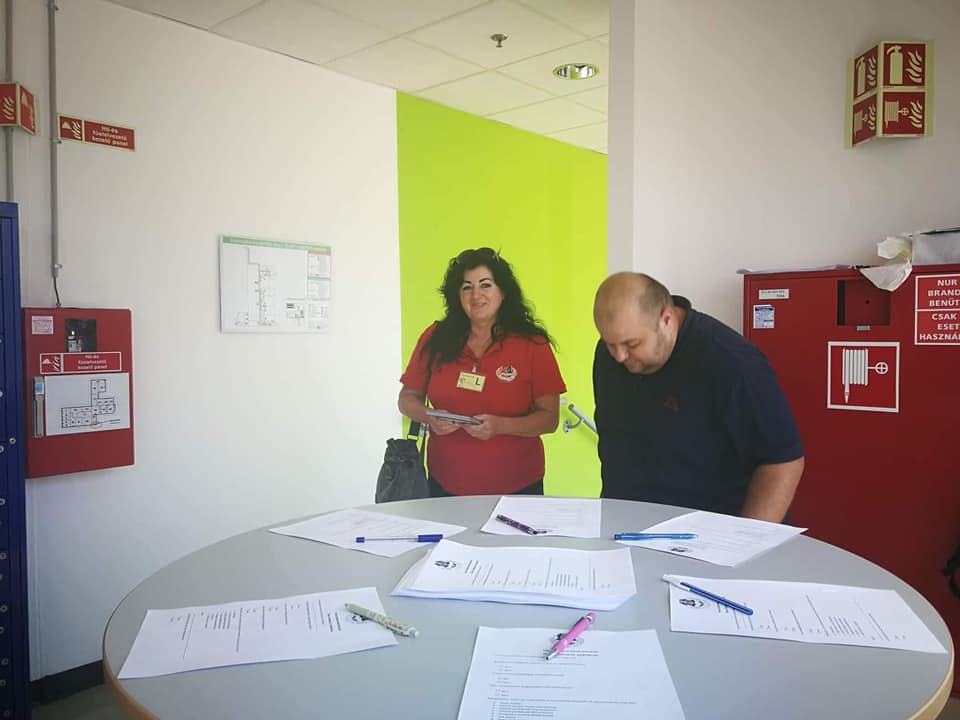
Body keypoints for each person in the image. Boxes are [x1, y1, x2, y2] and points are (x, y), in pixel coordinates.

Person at [592, 272, 804, 522]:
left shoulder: (731, 362)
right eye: (610, 343)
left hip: (712, 529)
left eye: (632, 344)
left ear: (666, 319)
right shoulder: (609, 357)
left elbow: (782, 462)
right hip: (628, 526)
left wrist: (745, 538)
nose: (619, 356)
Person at [399, 248, 566, 496]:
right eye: (466, 287)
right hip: (445, 484)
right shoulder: (435, 337)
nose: (476, 295)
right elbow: (406, 399)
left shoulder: (532, 344)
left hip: (517, 487)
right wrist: (429, 416)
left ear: (503, 291)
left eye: (485, 285)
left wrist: (500, 426)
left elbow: (549, 419)